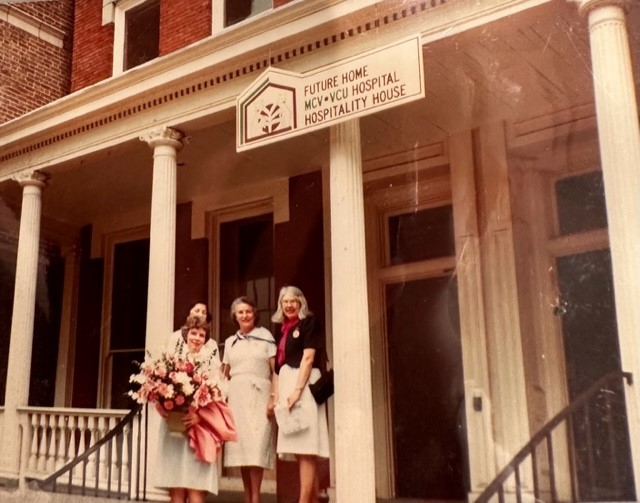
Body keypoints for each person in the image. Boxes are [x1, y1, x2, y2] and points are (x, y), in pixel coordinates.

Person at [154, 315, 230, 503]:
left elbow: (217, 396)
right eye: (194, 333)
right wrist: (169, 409)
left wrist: (200, 417)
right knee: (177, 486)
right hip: (175, 427)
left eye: (202, 335)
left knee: (196, 486)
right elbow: (161, 391)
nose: (197, 338)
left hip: (199, 428)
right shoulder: (173, 361)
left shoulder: (211, 362)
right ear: (186, 335)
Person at [271, 286, 330, 503]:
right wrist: (277, 394)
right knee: (299, 448)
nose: (289, 305)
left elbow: (308, 358)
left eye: (293, 301)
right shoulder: (285, 328)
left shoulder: (309, 323)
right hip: (289, 384)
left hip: (303, 385)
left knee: (306, 448)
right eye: (285, 301)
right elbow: (279, 366)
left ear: (301, 302)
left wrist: (297, 391)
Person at [222, 296, 277, 503]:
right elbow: (224, 373)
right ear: (234, 316)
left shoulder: (266, 336)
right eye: (240, 312)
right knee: (243, 450)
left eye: (248, 311)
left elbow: (275, 371)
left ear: (255, 314)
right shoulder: (230, 341)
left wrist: (273, 397)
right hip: (237, 397)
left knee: (256, 448)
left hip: (260, 395)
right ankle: (247, 498)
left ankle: (256, 498)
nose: (244, 315)